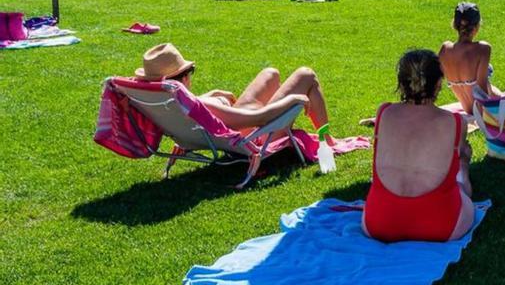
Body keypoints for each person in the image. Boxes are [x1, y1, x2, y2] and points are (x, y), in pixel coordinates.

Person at [362, 49, 475, 243]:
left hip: (379, 221)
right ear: (439, 84)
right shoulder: (454, 122)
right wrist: (463, 159)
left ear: (402, 83)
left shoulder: (384, 113)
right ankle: (465, 165)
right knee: (461, 175)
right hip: (440, 224)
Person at [132, 42, 334, 139]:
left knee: (270, 73)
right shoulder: (201, 105)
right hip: (255, 136)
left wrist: (210, 95)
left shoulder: (164, 100)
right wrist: (293, 99)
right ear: (184, 77)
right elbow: (260, 119)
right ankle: (328, 140)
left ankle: (324, 136)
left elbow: (189, 104)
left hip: (234, 125)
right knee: (306, 74)